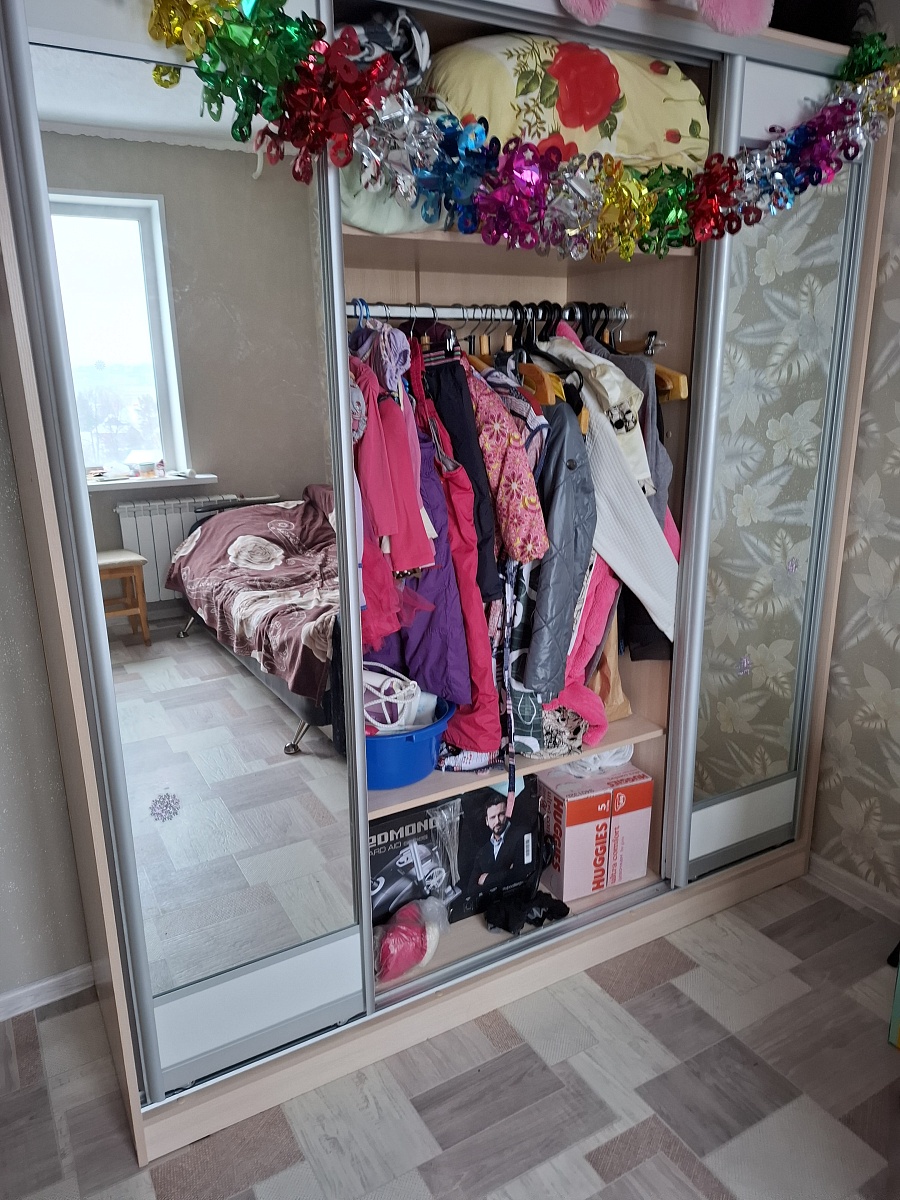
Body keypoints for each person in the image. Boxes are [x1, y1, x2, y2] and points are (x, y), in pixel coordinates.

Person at [468, 795, 527, 894]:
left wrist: (487, 879)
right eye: (492, 817)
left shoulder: (521, 835)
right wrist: (506, 873)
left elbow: (521, 874)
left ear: (507, 814)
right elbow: (471, 890)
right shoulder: (482, 853)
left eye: (501, 815)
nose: (497, 821)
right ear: (487, 821)